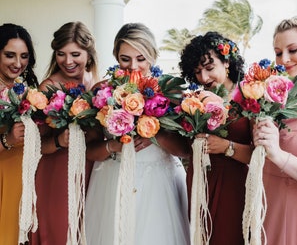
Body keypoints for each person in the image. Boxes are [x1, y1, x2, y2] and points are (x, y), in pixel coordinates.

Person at [85, 22, 190, 245]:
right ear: (116, 56)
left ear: (152, 56)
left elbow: (185, 150)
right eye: (125, 58)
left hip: (159, 185)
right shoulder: (101, 92)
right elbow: (90, 150)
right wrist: (114, 146)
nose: (133, 66)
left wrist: (156, 135)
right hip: (113, 181)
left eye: (141, 58)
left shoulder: (171, 92)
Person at [179, 31, 253, 244]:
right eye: (198, 72)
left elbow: (261, 156)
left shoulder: (248, 97)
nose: (204, 78)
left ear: (227, 62)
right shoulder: (195, 99)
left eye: (209, 68)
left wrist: (226, 147)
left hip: (233, 184)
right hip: (199, 180)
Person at [30, 21, 99, 244]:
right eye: (61, 54)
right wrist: (59, 141)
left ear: (89, 54)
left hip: (91, 169)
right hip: (57, 172)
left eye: (75, 54)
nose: (68, 61)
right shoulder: (48, 88)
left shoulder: (97, 85)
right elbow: (33, 145)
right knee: (60, 232)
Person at [252, 16, 297, 244]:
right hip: (268, 204)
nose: (285, 59)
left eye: (293, 50)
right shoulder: (271, 97)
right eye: (278, 53)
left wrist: (278, 154)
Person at [0, 23, 39, 245]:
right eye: (9, 55)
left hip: (25, 177)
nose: (17, 63)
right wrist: (8, 140)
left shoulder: (26, 91)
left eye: (23, 56)